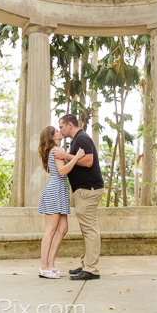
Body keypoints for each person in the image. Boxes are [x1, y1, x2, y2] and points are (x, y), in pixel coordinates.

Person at [53, 114, 105, 280]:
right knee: (86, 229)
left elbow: (88, 161)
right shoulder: (77, 140)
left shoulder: (81, 138)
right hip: (83, 190)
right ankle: (86, 264)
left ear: (70, 125)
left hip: (87, 189)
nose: (60, 130)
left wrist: (66, 156)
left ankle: (91, 269)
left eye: (61, 127)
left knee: (90, 229)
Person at [36, 126, 85, 279]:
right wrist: (76, 157)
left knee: (63, 229)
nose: (59, 132)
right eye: (56, 131)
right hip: (54, 192)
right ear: (51, 137)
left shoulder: (58, 150)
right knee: (50, 230)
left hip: (60, 192)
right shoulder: (55, 152)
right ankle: (43, 268)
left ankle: (51, 264)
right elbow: (62, 171)